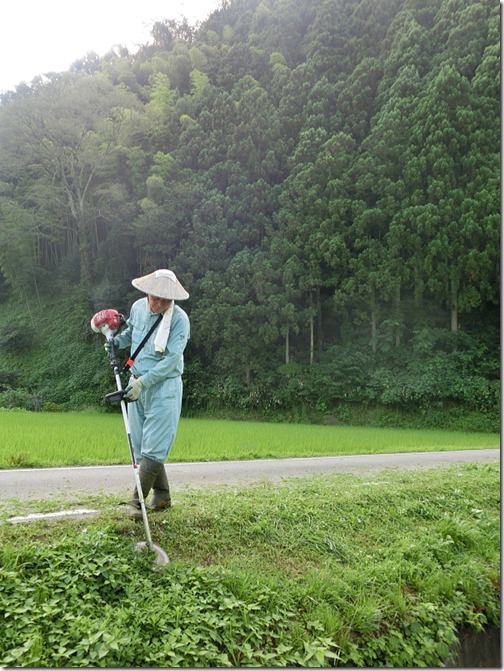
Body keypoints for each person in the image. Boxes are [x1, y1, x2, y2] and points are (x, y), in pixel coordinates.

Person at [110, 268, 190, 519]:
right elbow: (132, 334)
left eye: (165, 299)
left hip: (163, 387)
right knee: (144, 445)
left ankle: (136, 502)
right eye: (155, 297)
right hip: (137, 385)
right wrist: (113, 340)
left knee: (155, 446)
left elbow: (171, 360)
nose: (159, 303)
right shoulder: (136, 308)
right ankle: (163, 495)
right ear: (147, 293)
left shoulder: (179, 320)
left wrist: (144, 383)